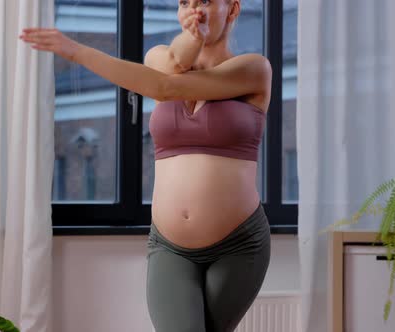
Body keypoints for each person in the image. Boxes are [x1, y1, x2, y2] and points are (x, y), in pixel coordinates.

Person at [20, 0, 271, 331]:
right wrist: (194, 37)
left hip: (239, 245)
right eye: (185, 2)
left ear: (234, 9)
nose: (193, 10)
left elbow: (165, 89)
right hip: (170, 247)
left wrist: (76, 52)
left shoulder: (253, 69)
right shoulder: (157, 57)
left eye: (205, 1)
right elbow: (170, 67)